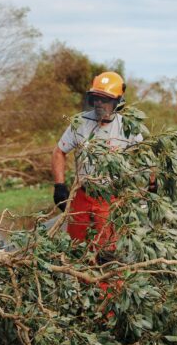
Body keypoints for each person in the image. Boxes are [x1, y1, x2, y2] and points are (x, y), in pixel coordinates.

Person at [51, 71, 143, 253]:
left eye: (105, 99)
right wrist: (59, 186)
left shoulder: (128, 128)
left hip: (111, 197)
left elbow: (145, 156)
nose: (99, 103)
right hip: (82, 194)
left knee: (107, 251)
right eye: (96, 98)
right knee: (76, 248)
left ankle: (106, 269)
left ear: (118, 101)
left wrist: (151, 183)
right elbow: (59, 151)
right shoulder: (80, 123)